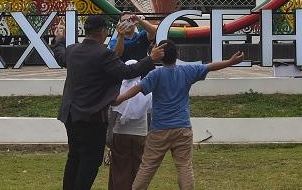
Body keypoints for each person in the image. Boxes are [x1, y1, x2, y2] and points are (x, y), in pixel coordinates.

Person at [51, 14, 165, 190]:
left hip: (71, 116)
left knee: (74, 157)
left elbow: (60, 55)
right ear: (103, 32)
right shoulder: (103, 54)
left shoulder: (73, 50)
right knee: (89, 161)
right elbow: (127, 71)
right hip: (92, 118)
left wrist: (59, 40)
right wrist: (151, 59)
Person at [114, 40, 244, 190]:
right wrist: (230, 61)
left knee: (148, 166)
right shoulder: (187, 71)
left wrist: (119, 99)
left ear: (160, 57)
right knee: (184, 167)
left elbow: (137, 88)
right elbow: (210, 66)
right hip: (183, 128)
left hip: (159, 129)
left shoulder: (155, 74)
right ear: (177, 54)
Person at [108, 60, 152, 190]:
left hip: (120, 134)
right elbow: (150, 114)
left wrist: (109, 135)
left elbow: (113, 114)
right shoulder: (146, 89)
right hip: (141, 134)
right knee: (139, 168)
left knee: (120, 168)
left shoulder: (118, 89)